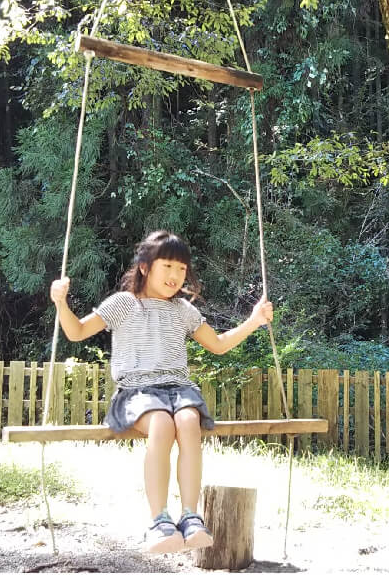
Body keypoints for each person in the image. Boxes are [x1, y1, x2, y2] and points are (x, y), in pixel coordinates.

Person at [49, 230, 273, 554]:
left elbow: (219, 345)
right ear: (145, 267)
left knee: (187, 421)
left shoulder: (183, 310)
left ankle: (190, 515)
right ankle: (159, 520)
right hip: (137, 391)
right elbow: (77, 331)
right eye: (167, 266)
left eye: (181, 268)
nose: (175, 275)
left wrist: (254, 321)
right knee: (162, 424)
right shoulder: (123, 304)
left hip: (179, 390)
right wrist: (60, 303)